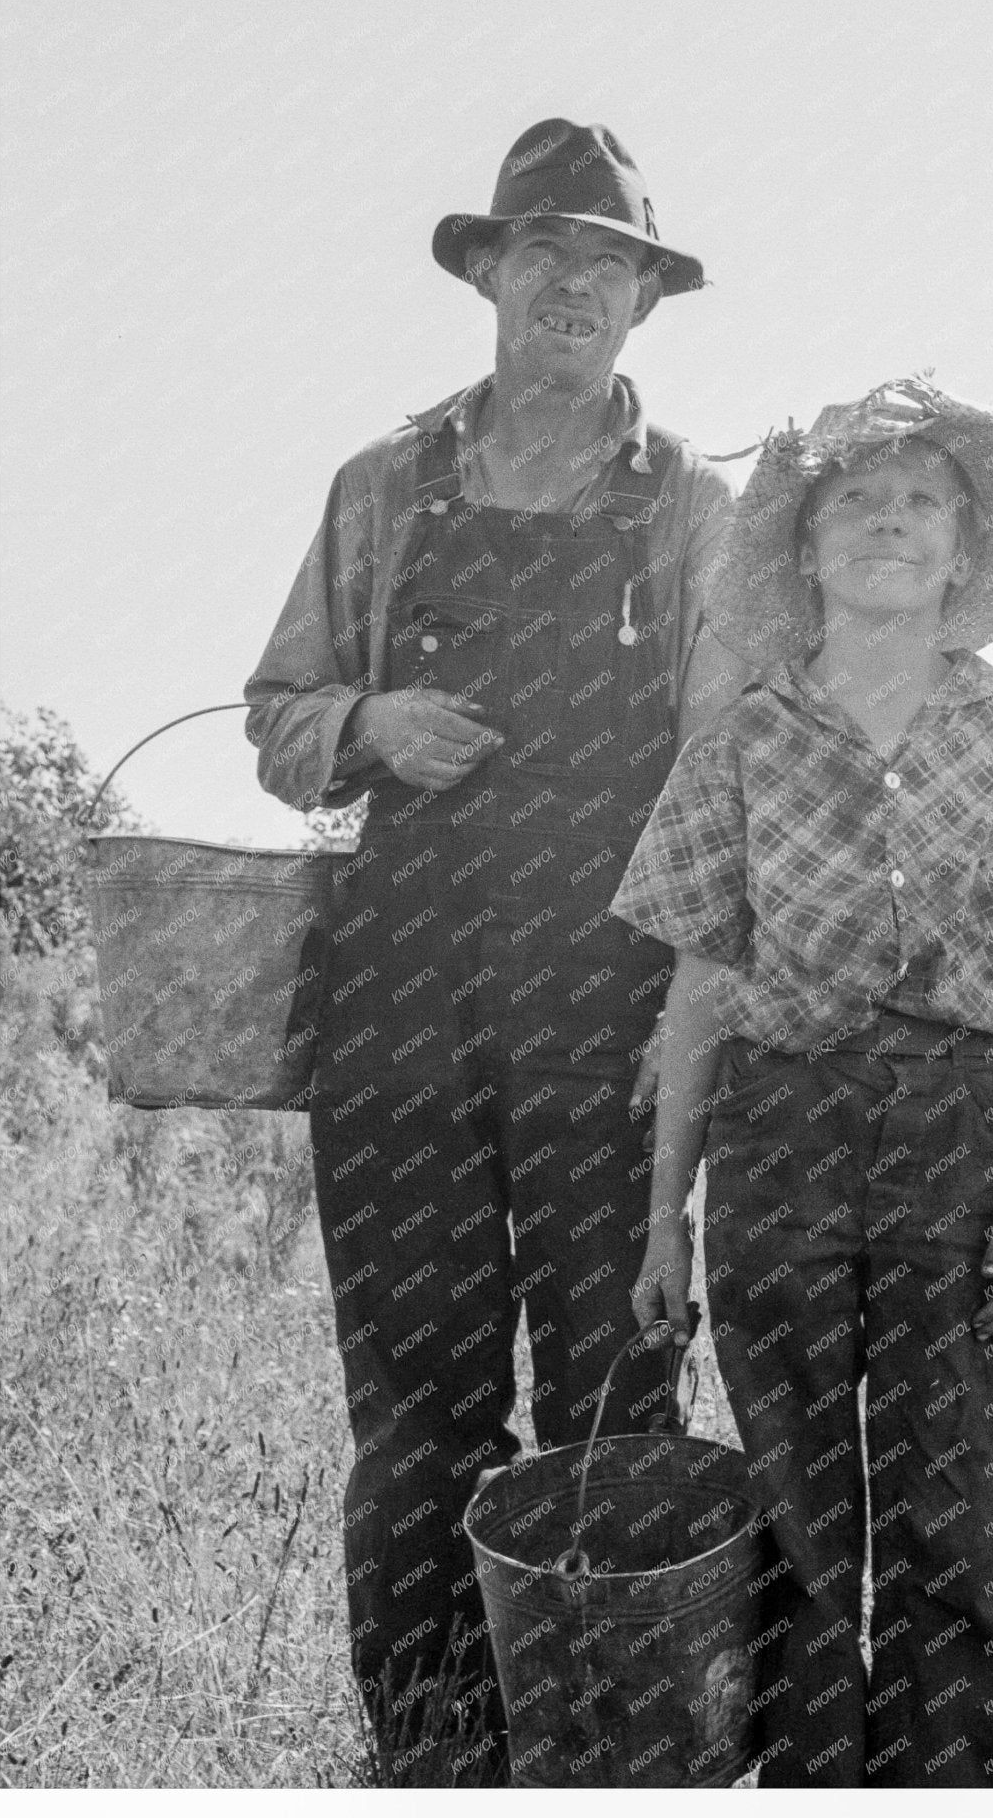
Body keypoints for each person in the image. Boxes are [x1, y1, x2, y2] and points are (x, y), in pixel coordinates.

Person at [244, 119, 747, 1782]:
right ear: (489, 273)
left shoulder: (686, 506)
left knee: (610, 1378)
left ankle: (616, 1754)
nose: (573, 286)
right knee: (417, 1397)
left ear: (642, 302)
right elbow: (275, 713)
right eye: (545, 255)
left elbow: (721, 754)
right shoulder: (383, 485)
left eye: (606, 265)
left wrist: (687, 996)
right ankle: (437, 1756)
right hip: (396, 986)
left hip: (602, 991)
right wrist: (369, 720)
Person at [610, 378, 993, 1787]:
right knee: (795, 1503)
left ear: (965, 554)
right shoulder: (743, 741)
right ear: (808, 549)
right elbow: (704, 980)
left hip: (960, 1139)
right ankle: (813, 1780)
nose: (889, 524)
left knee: (953, 1501)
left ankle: (951, 1784)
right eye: (857, 503)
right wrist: (668, 1219)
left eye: (921, 505)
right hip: (779, 1138)